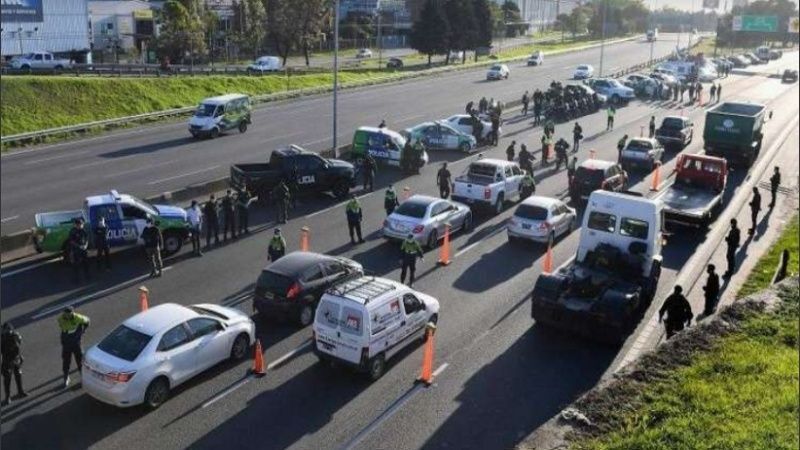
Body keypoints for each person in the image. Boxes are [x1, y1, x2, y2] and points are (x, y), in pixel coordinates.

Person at [58, 306, 90, 388]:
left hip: (76, 343)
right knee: (66, 361)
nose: (67, 316)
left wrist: (82, 332)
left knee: (79, 360)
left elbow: (87, 321)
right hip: (66, 343)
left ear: (72, 313)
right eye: (65, 314)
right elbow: (62, 328)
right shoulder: (60, 319)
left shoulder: (78, 318)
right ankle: (66, 377)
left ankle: (83, 377)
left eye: (69, 314)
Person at [1, 323, 27, 405]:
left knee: (18, 375)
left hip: (16, 358)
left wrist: (20, 357)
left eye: (10, 330)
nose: (9, 332)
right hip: (7, 360)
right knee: (7, 379)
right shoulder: (2, 338)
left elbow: (18, 346)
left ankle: (20, 391)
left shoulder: (15, 336)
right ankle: (7, 397)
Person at [68, 218, 89, 283]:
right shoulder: (73, 231)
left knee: (86, 263)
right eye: (80, 224)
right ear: (76, 225)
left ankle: (87, 276)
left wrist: (86, 245)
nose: (81, 225)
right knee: (76, 265)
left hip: (83, 249)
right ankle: (76, 279)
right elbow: (71, 241)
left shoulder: (84, 230)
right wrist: (79, 246)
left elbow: (87, 239)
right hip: (76, 250)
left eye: (82, 224)